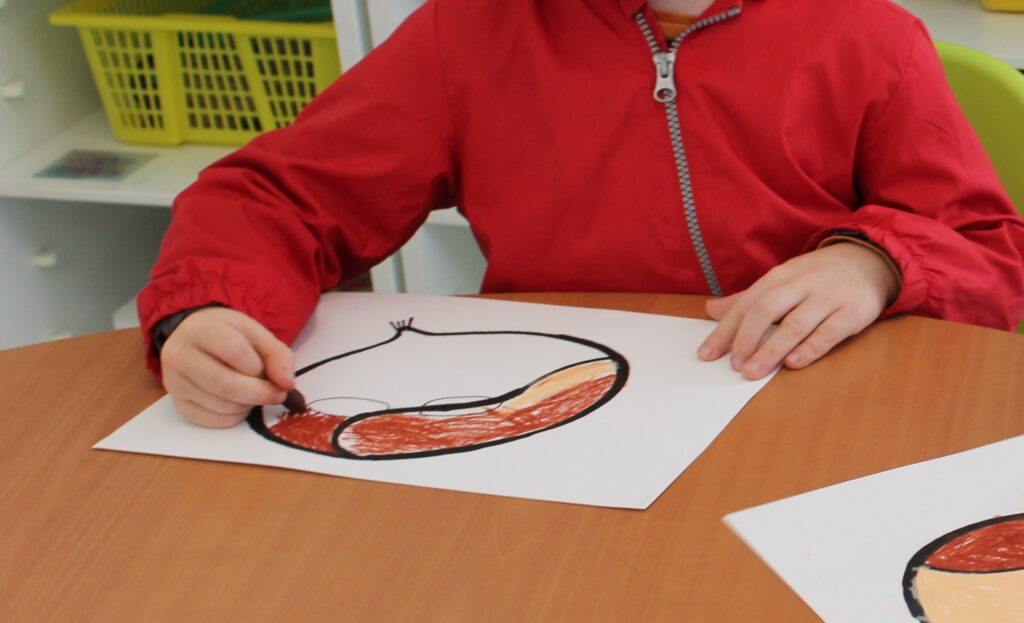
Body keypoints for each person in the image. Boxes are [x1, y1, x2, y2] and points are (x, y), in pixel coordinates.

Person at [140, 0, 1024, 428]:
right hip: (557, 421)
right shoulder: (473, 31)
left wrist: (872, 262)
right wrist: (208, 308)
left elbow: (990, 249)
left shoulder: (869, 35)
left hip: (817, 413)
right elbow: (281, 196)